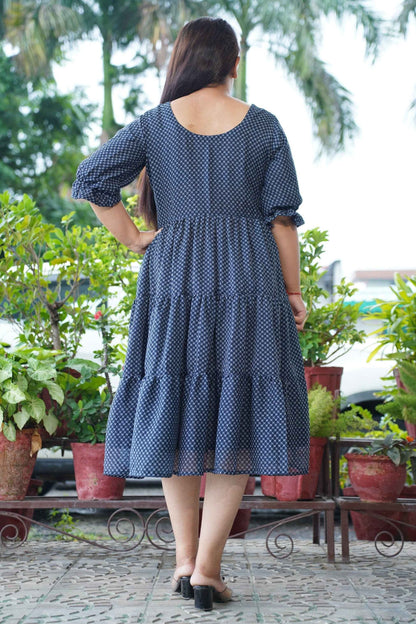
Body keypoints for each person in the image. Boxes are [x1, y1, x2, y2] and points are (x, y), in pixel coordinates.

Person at [71, 16, 310, 612]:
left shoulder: (154, 125)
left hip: (173, 278)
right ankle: (206, 569)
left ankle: (184, 561)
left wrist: (135, 239)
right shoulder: (263, 126)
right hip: (248, 280)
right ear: (232, 63)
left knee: (175, 408)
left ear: (183, 61)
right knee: (238, 415)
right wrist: (293, 291)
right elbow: (282, 221)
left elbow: (92, 179)